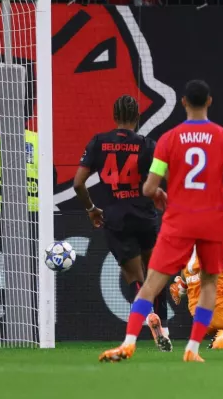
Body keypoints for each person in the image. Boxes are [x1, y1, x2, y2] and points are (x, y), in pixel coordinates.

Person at [99, 80, 223, 363]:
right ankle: (192, 349)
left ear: (183, 102)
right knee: (210, 283)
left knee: (151, 282)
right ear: (209, 101)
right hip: (213, 220)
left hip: (179, 218)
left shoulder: (168, 140)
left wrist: (160, 193)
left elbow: (149, 187)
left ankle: (127, 343)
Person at [72, 96, 169, 351]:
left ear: (114, 116)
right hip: (144, 216)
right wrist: (157, 192)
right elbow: (161, 176)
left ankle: (148, 316)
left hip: (115, 217)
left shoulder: (99, 143)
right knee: (155, 273)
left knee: (134, 277)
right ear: (137, 117)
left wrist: (91, 209)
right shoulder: (147, 145)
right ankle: (165, 330)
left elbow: (78, 183)